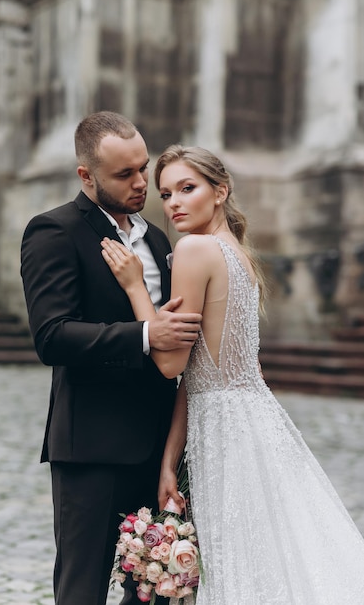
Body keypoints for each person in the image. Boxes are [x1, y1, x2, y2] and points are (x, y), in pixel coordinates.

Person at [101, 144, 364, 604]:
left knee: (237, 563)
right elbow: (201, 378)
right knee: (272, 555)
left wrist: (134, 287)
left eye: (188, 188)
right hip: (254, 423)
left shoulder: (194, 250)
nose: (175, 203)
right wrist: (169, 460)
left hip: (225, 436)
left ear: (220, 191)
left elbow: (170, 364)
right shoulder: (238, 255)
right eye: (166, 194)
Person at [20, 112, 202, 605]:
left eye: (143, 168)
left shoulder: (160, 240)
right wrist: (145, 333)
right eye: (125, 174)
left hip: (159, 449)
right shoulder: (53, 231)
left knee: (158, 591)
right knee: (82, 591)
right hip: (92, 450)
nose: (142, 183)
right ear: (86, 176)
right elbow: (53, 337)